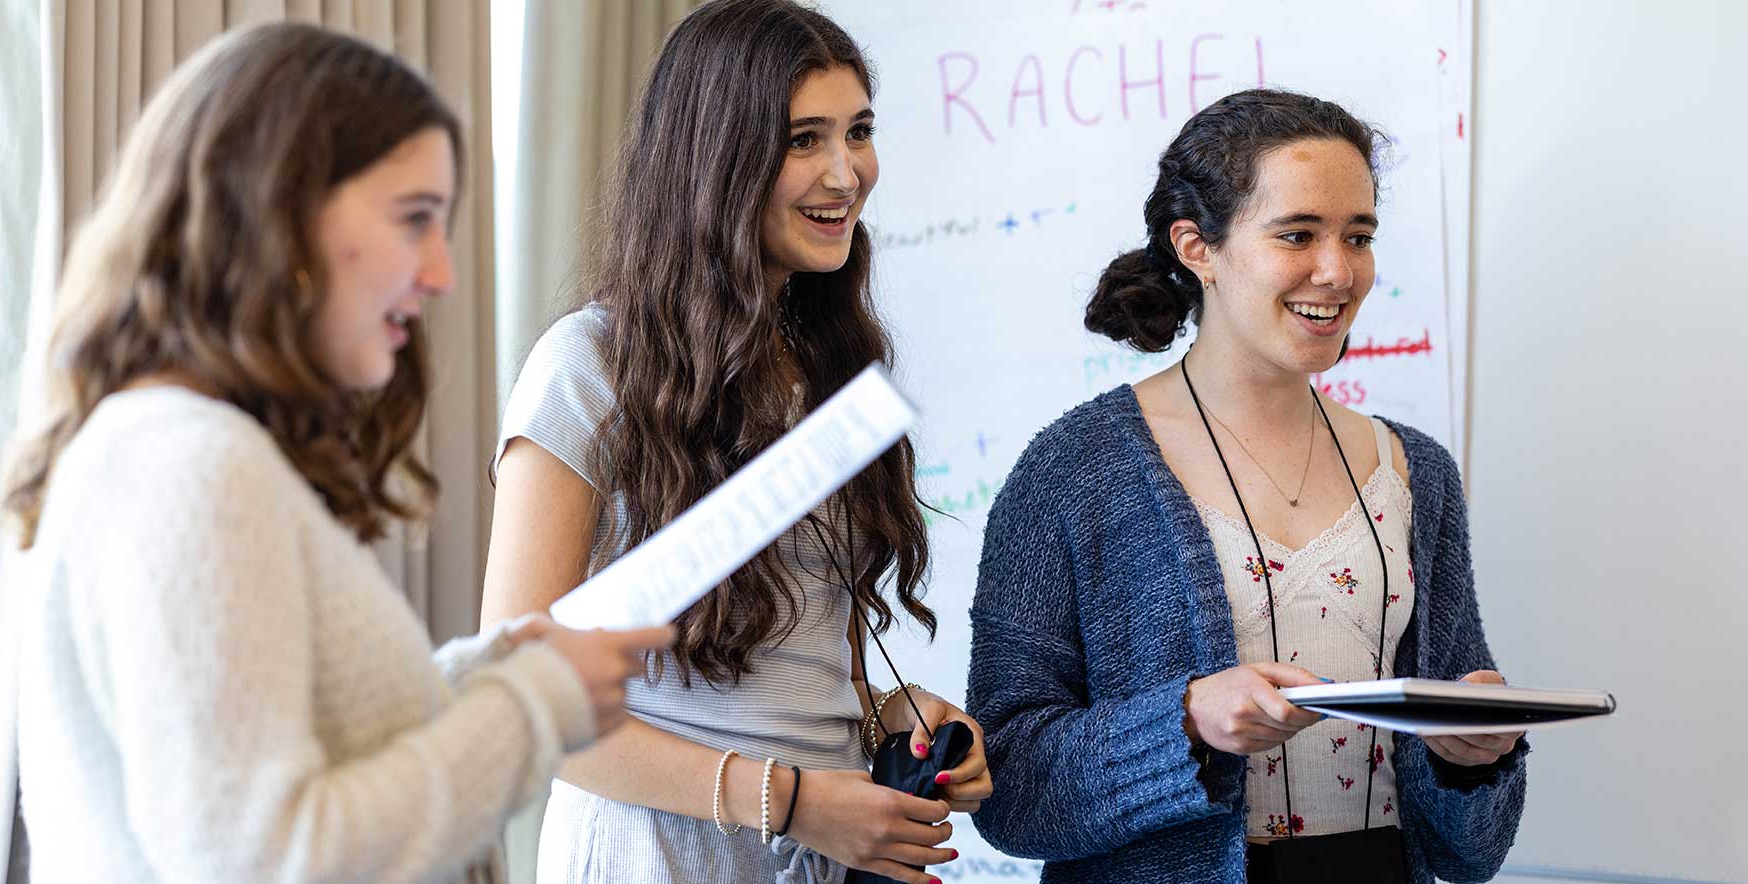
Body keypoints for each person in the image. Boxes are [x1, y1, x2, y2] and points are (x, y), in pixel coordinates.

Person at [0, 23, 671, 884]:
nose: (440, 274)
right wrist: (536, 705)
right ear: (279, 210)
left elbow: (282, 750)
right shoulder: (193, 467)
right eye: (415, 220)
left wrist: (485, 677)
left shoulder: (174, 449)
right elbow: (269, 858)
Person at [481, 2, 991, 883]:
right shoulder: (588, 366)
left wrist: (886, 716)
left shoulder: (830, 364)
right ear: (713, 159)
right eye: (804, 140)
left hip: (815, 852)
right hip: (654, 855)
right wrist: (790, 799)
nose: (847, 173)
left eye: (859, 131)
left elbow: (769, 672)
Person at [965, 89, 1527, 884]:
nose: (1338, 272)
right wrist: (1185, 723)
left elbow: (1471, 850)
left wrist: (1470, 756)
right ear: (1197, 246)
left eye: (1358, 235)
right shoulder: (1072, 471)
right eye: (1297, 234)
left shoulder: (1414, 473)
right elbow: (1010, 787)